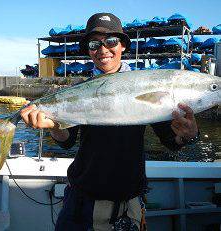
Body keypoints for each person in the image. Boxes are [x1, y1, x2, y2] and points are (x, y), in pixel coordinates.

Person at [20, 13, 199, 231]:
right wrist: (55, 126)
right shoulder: (79, 91)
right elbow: (67, 141)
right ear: (89, 50)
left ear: (123, 46)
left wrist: (188, 135)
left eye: (111, 41)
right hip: (80, 201)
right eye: (95, 44)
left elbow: (171, 142)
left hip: (127, 204)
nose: (103, 49)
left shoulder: (145, 85)